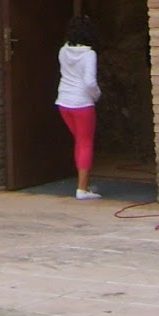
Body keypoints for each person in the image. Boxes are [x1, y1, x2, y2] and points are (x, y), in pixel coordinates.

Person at [56, 13, 102, 200]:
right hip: (82, 103)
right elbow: (90, 82)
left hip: (63, 101)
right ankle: (82, 189)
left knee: (79, 142)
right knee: (85, 143)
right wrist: (96, 94)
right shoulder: (89, 54)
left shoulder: (63, 51)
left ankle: (82, 184)